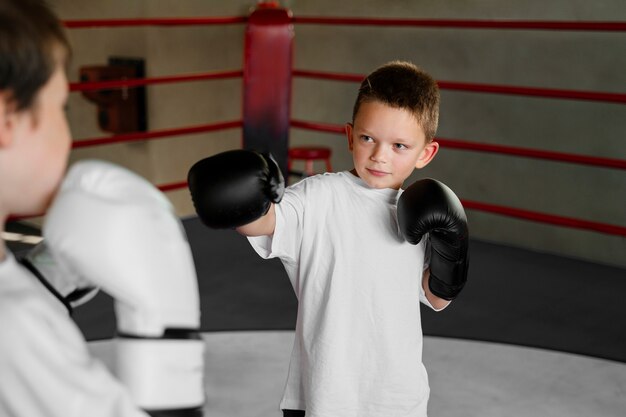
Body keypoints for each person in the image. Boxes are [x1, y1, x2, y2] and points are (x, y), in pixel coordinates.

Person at [188, 60, 469, 417]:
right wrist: (247, 199)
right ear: (350, 135)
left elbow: (436, 299)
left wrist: (453, 248)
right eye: (369, 138)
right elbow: (265, 224)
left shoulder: (422, 212)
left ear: (425, 153)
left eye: (399, 146)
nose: (380, 156)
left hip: (400, 398)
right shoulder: (320, 197)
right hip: (323, 396)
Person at [0, 2, 204, 416]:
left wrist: (44, 281)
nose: (68, 132)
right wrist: (167, 331)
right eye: (60, 107)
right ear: (6, 120)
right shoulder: (15, 330)